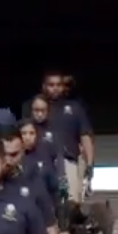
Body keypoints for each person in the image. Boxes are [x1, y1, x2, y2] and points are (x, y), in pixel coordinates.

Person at [31, 68, 94, 206]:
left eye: (58, 85)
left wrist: (89, 165)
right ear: (44, 86)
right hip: (39, 162)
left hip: (67, 162)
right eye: (51, 85)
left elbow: (85, 136)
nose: (55, 88)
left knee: (70, 205)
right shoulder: (35, 107)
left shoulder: (75, 107)